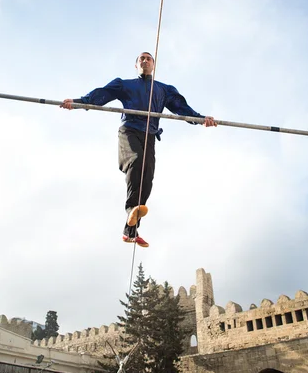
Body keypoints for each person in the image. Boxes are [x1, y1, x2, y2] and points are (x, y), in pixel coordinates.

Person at [60, 52, 216, 247]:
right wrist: (77, 102)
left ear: (153, 64)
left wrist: (201, 119)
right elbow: (100, 95)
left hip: (149, 136)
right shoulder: (124, 85)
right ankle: (130, 211)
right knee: (136, 160)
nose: (144, 60)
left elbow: (181, 108)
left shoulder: (164, 90)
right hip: (129, 131)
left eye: (148, 58)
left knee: (148, 177)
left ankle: (130, 229)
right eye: (141, 59)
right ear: (136, 65)